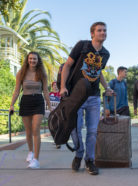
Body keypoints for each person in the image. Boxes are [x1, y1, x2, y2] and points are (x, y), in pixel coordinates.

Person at [60, 22, 112, 175]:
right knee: (75, 129)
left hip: (94, 97)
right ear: (92, 33)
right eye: (99, 30)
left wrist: (107, 87)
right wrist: (63, 86)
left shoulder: (105, 54)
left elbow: (99, 72)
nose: (103, 33)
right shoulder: (82, 46)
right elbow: (67, 66)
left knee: (92, 131)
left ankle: (90, 160)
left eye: (105, 30)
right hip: (76, 96)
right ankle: (78, 154)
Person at [9, 52, 52, 168]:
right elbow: (17, 90)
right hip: (26, 102)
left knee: (35, 129)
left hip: (38, 101)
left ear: (38, 61)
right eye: (31, 59)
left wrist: (50, 107)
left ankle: (36, 160)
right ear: (27, 60)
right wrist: (11, 105)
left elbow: (46, 91)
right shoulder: (21, 73)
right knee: (28, 131)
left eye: (35, 59)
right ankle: (30, 152)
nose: (33, 61)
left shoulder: (42, 73)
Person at [49, 81, 61, 149]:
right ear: (52, 87)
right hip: (52, 113)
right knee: (52, 127)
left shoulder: (61, 94)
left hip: (59, 113)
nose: (55, 87)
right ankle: (56, 140)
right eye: (54, 85)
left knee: (58, 126)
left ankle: (58, 141)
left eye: (56, 85)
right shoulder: (50, 94)